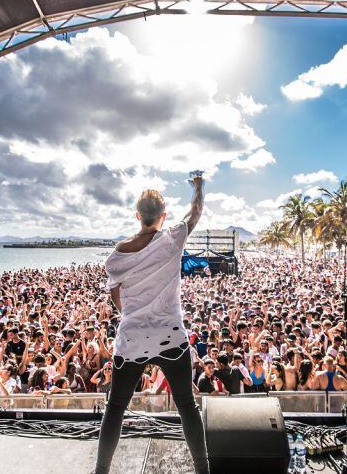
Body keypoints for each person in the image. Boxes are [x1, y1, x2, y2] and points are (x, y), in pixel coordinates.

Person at [95, 175, 209, 474]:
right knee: (186, 406)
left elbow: (115, 295)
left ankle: (101, 471)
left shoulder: (117, 255)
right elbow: (194, 213)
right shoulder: (173, 238)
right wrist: (197, 187)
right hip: (170, 337)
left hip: (132, 339)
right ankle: (203, 469)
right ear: (163, 215)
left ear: (137, 215)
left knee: (116, 408)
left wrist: (131, 314)